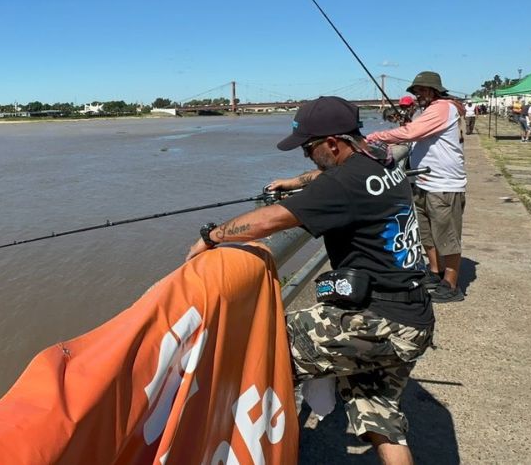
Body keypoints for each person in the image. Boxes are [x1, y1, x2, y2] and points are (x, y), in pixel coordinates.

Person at [186, 96, 433, 465]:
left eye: (308, 148)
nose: (305, 156)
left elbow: (270, 221)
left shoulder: (346, 183)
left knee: (261, 347)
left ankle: (258, 449)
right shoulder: (378, 157)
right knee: (382, 418)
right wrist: (295, 182)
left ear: (333, 143)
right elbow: (326, 175)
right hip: (413, 316)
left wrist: (210, 237)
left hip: (376, 319)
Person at [365, 71, 467, 303]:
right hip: (423, 180)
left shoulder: (442, 107)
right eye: (416, 91)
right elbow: (416, 131)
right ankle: (434, 272)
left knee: (447, 236)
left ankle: (451, 284)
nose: (417, 94)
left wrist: (374, 137)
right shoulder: (429, 110)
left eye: (421, 90)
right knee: (427, 233)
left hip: (444, 183)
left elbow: (412, 132)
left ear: (433, 91)